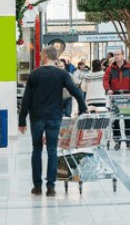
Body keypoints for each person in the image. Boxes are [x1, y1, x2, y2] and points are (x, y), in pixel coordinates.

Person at [18, 46, 87, 197]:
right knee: (52, 151)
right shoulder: (62, 74)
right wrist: (82, 108)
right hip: (54, 117)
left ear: (45, 55)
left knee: (36, 150)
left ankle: (37, 187)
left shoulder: (35, 74)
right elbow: (76, 92)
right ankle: (51, 187)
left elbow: (26, 99)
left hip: (37, 117)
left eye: (41, 54)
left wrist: (22, 119)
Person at [103, 49, 130, 148]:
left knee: (127, 119)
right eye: (115, 55)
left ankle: (128, 139)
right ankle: (117, 139)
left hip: (127, 98)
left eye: (118, 54)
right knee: (115, 119)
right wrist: (108, 89)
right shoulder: (110, 69)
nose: (116, 56)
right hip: (114, 98)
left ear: (123, 55)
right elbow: (106, 80)